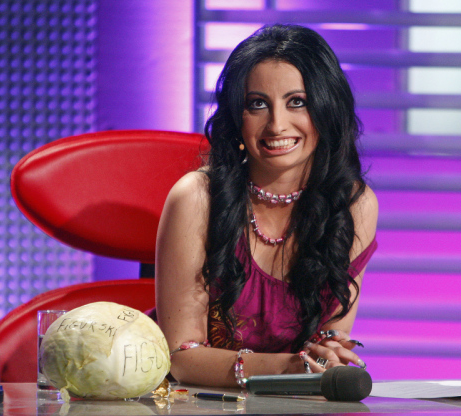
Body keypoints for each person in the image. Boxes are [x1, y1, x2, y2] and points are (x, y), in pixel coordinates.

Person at [154, 24, 378, 387]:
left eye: (297, 102)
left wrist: (328, 355)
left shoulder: (353, 204)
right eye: (257, 104)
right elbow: (180, 356)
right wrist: (285, 368)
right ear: (236, 116)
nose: (276, 125)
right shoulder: (197, 198)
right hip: (192, 400)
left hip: (293, 403)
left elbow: (329, 340)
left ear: (326, 108)